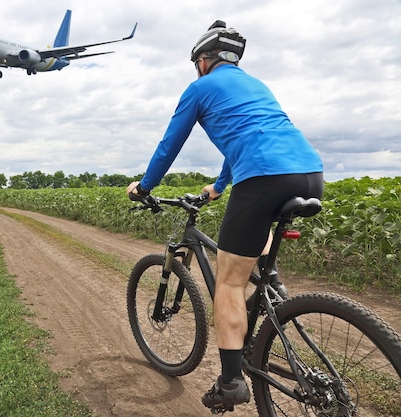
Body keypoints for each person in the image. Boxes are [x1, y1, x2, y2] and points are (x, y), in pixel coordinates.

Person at [126, 20, 324, 412]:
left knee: (228, 283)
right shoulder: (257, 86)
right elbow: (251, 139)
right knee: (255, 241)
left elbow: (170, 145)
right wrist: (218, 187)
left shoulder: (199, 88)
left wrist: (145, 187)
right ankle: (271, 283)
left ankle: (231, 382)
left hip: (264, 179)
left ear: (202, 60)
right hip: (309, 173)